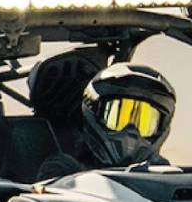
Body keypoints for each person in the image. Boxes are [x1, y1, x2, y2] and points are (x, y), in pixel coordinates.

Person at [35, 62, 176, 179]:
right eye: (118, 116)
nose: (131, 131)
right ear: (93, 112)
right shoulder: (64, 171)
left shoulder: (163, 177)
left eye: (144, 121)